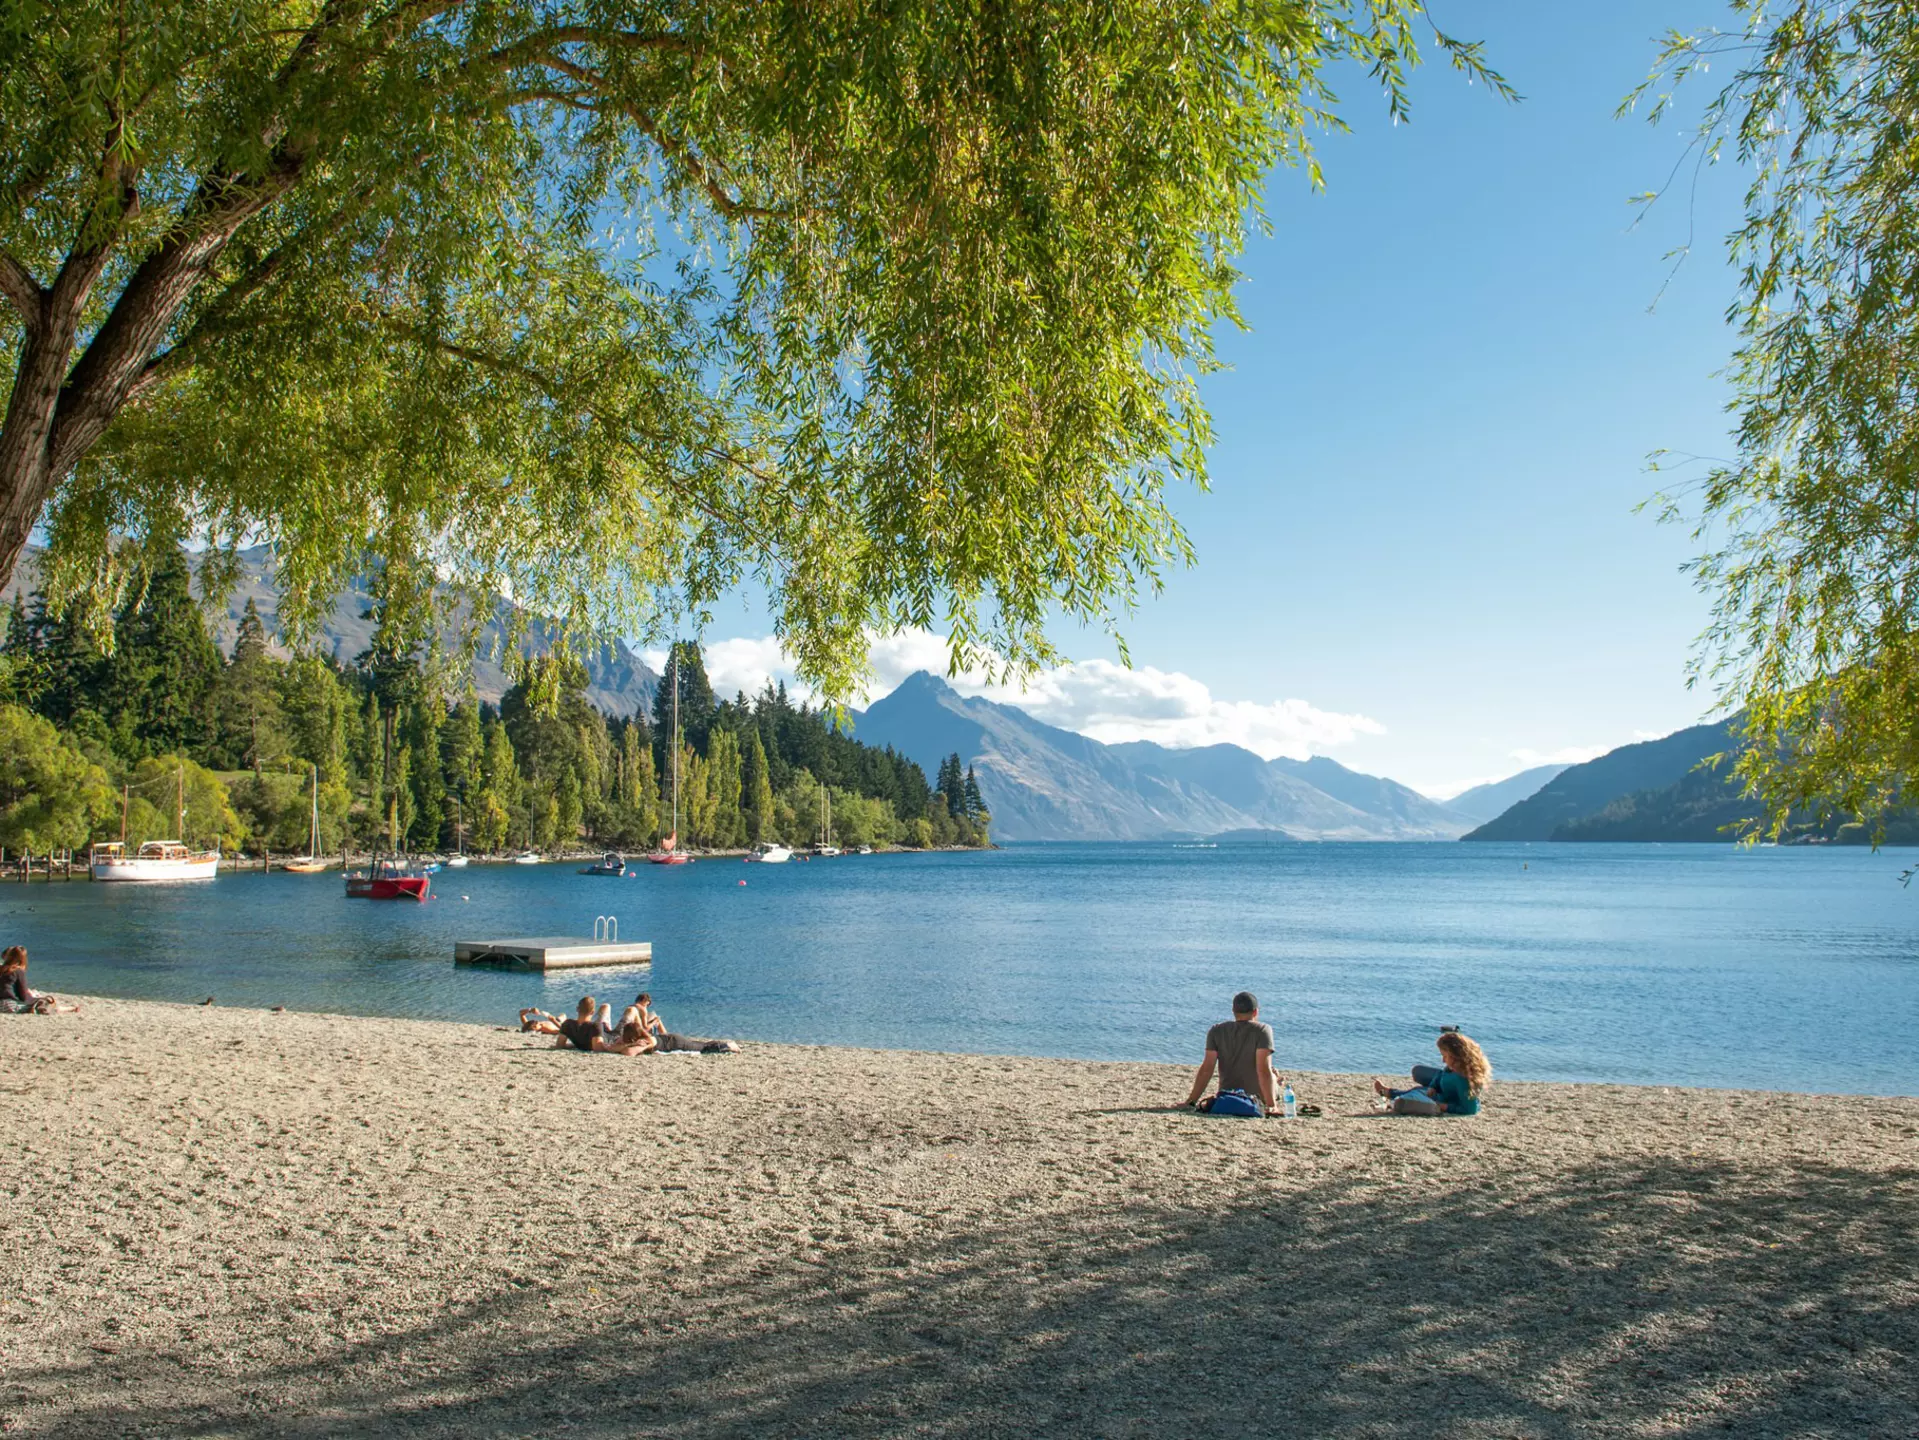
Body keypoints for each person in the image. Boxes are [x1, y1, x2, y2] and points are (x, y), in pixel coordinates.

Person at [1180, 991, 1277, 1115]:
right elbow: (1263, 1070)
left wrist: (1191, 1101)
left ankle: (1277, 1080)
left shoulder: (1216, 1030)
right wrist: (1272, 1105)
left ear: (1233, 1011)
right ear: (1255, 1012)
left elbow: (1207, 1069)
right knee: (1271, 1074)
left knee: (1272, 1074)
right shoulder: (1263, 1030)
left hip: (1227, 1094)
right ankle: (1277, 1083)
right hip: (1255, 1099)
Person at [1374, 1030, 1491, 1116]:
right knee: (1418, 1072)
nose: (1443, 1060)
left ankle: (1389, 1093)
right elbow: (1440, 1074)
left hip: (1443, 1098)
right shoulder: (1452, 1067)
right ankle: (1391, 1093)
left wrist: (1445, 1107)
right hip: (1441, 1089)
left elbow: (1470, 1110)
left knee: (1416, 1091)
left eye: (1445, 1056)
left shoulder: (1463, 1079)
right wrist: (1433, 1086)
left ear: (1456, 1056)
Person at [631, 994, 740, 1053]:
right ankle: (727, 1045)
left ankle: (728, 1045)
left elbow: (631, 1050)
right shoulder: (641, 1017)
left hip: (672, 1041)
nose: (645, 1008)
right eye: (645, 1004)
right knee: (700, 1045)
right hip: (671, 1040)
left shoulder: (643, 1033)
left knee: (701, 1046)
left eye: (646, 1005)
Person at [0, 947, 77, 1015]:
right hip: (9, 1005)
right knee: (45, 1004)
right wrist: (35, 998)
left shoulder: (2, 968)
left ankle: (70, 1008)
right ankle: (70, 1008)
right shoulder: (18, 971)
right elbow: (23, 996)